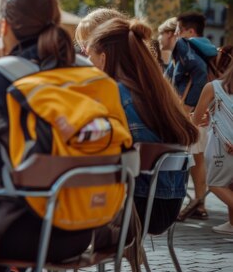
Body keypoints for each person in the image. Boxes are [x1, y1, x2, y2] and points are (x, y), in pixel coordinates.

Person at [0, 0, 105, 272]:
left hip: (32, 229)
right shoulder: (86, 71)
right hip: (89, 224)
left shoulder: (4, 73)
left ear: (4, 27)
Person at [85, 17, 199, 234]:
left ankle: (32, 263)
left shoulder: (115, 93)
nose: (88, 64)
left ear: (103, 57)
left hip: (136, 205)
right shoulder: (159, 90)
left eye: (89, 57)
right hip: (168, 203)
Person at [161, 12, 212, 220]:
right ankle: (198, 204)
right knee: (197, 159)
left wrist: (190, 107)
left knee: (190, 158)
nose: (174, 35)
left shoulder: (185, 46)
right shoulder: (199, 47)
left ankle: (193, 203)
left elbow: (199, 72)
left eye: (176, 31)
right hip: (198, 112)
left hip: (192, 114)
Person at [192, 65, 233, 234]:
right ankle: (232, 224)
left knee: (216, 184)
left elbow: (195, 119)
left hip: (224, 147)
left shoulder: (213, 87)